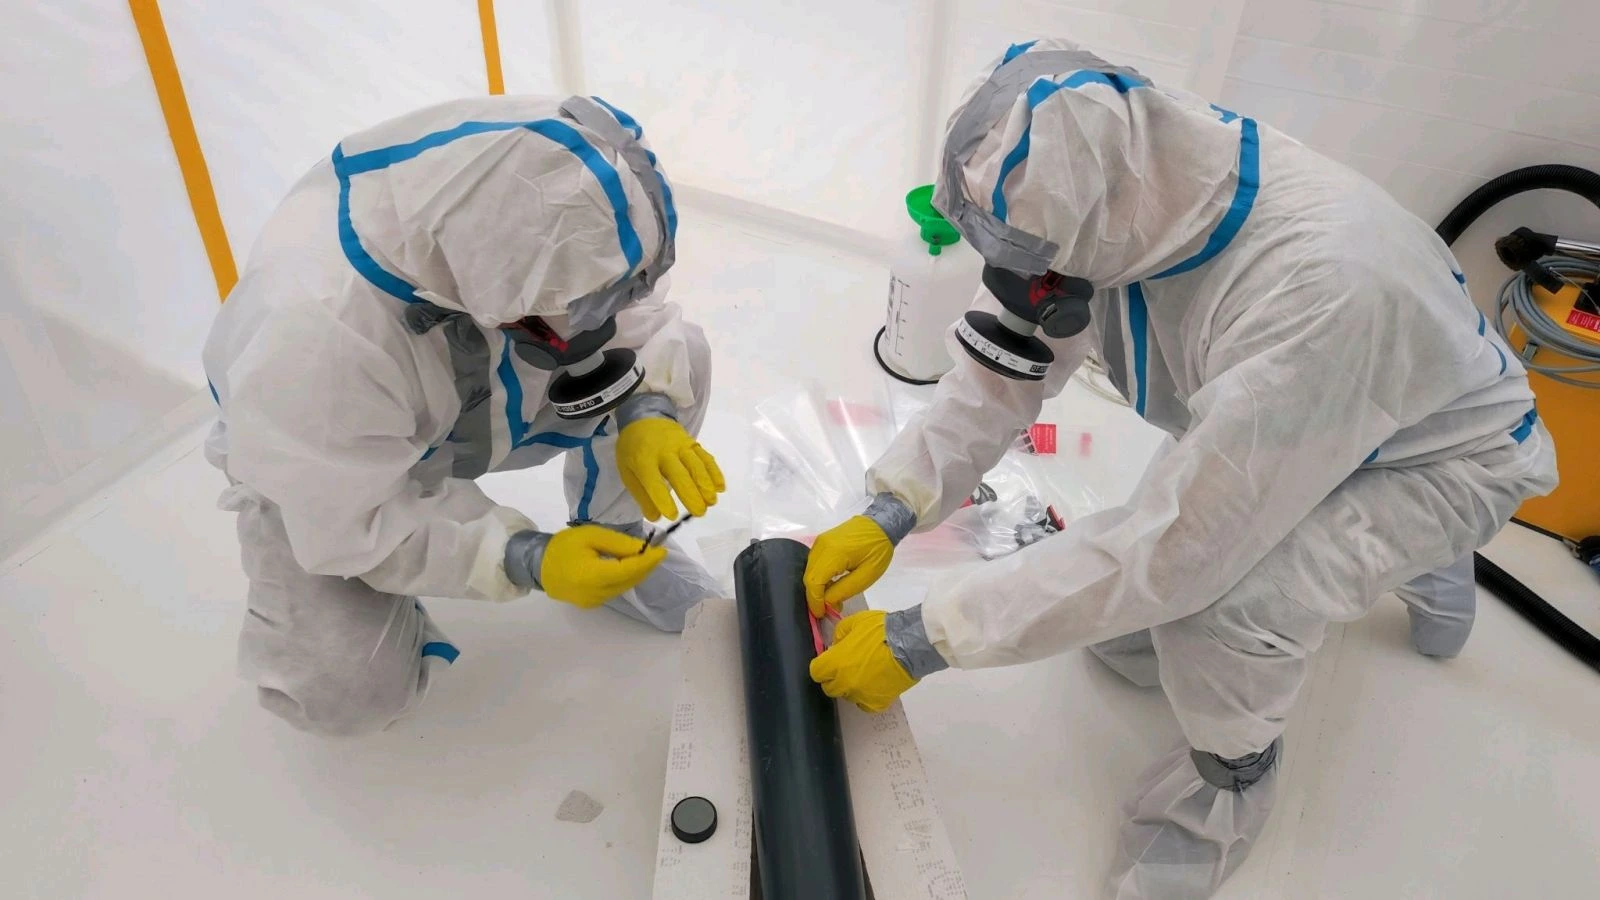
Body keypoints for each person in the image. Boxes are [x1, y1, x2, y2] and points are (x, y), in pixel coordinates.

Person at [803, 39, 1557, 898]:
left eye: (1038, 267)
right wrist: (892, 507)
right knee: (1125, 645)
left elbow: (1178, 552)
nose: (1024, 285)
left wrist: (924, 638)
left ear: (1096, 225)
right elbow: (1006, 362)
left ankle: (1230, 786)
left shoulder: (1315, 286)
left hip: (1440, 456)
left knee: (1219, 616)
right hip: (1315, 412)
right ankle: (1391, 556)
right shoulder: (1125, 188)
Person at [204, 95, 724, 738]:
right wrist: (526, 557)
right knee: (343, 688)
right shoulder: (313, 331)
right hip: (327, 462)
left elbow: (621, 302)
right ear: (493, 281)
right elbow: (350, 512)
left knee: (682, 355)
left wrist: (648, 411)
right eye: (570, 313)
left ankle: (610, 536)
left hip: (475, 383)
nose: (596, 329)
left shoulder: (546, 184)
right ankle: (375, 585)